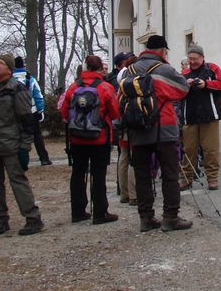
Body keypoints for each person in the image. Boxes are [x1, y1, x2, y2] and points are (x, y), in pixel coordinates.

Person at [125, 35, 191, 232]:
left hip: (137, 128)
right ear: (163, 50)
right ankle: (170, 217)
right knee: (170, 173)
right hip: (164, 126)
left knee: (143, 174)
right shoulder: (164, 68)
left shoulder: (130, 70)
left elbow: (121, 95)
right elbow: (183, 89)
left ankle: (146, 218)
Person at [0, 54, 43, 236]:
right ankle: (0, 219)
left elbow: (27, 121)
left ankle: (33, 218)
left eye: (1, 63)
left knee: (18, 182)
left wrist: (24, 147)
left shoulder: (17, 89)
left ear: (9, 69)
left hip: (11, 145)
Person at [60, 55, 121, 224]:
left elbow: (64, 112)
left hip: (77, 138)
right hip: (99, 138)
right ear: (100, 68)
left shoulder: (73, 87)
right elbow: (116, 113)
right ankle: (100, 213)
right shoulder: (105, 87)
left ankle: (78, 211)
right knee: (98, 174)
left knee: (78, 173)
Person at [180, 45, 221, 191]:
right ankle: (186, 178)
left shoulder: (212, 68)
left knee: (210, 150)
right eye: (190, 59)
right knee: (189, 150)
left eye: (195, 59)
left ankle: (212, 178)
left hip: (209, 115)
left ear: (202, 57)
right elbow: (177, 93)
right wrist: (185, 85)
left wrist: (205, 84)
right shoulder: (185, 73)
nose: (192, 61)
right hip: (190, 117)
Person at [13, 56, 52, 166]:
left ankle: (19, 160)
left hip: (16, 113)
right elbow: (38, 96)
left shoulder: (10, 80)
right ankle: (44, 158)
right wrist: (40, 110)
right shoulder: (30, 79)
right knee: (37, 136)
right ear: (23, 66)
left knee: (18, 136)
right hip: (31, 111)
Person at [115, 54, 138, 205]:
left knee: (123, 157)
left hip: (123, 123)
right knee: (134, 158)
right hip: (134, 124)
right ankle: (133, 195)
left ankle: (124, 193)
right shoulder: (136, 81)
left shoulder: (122, 81)